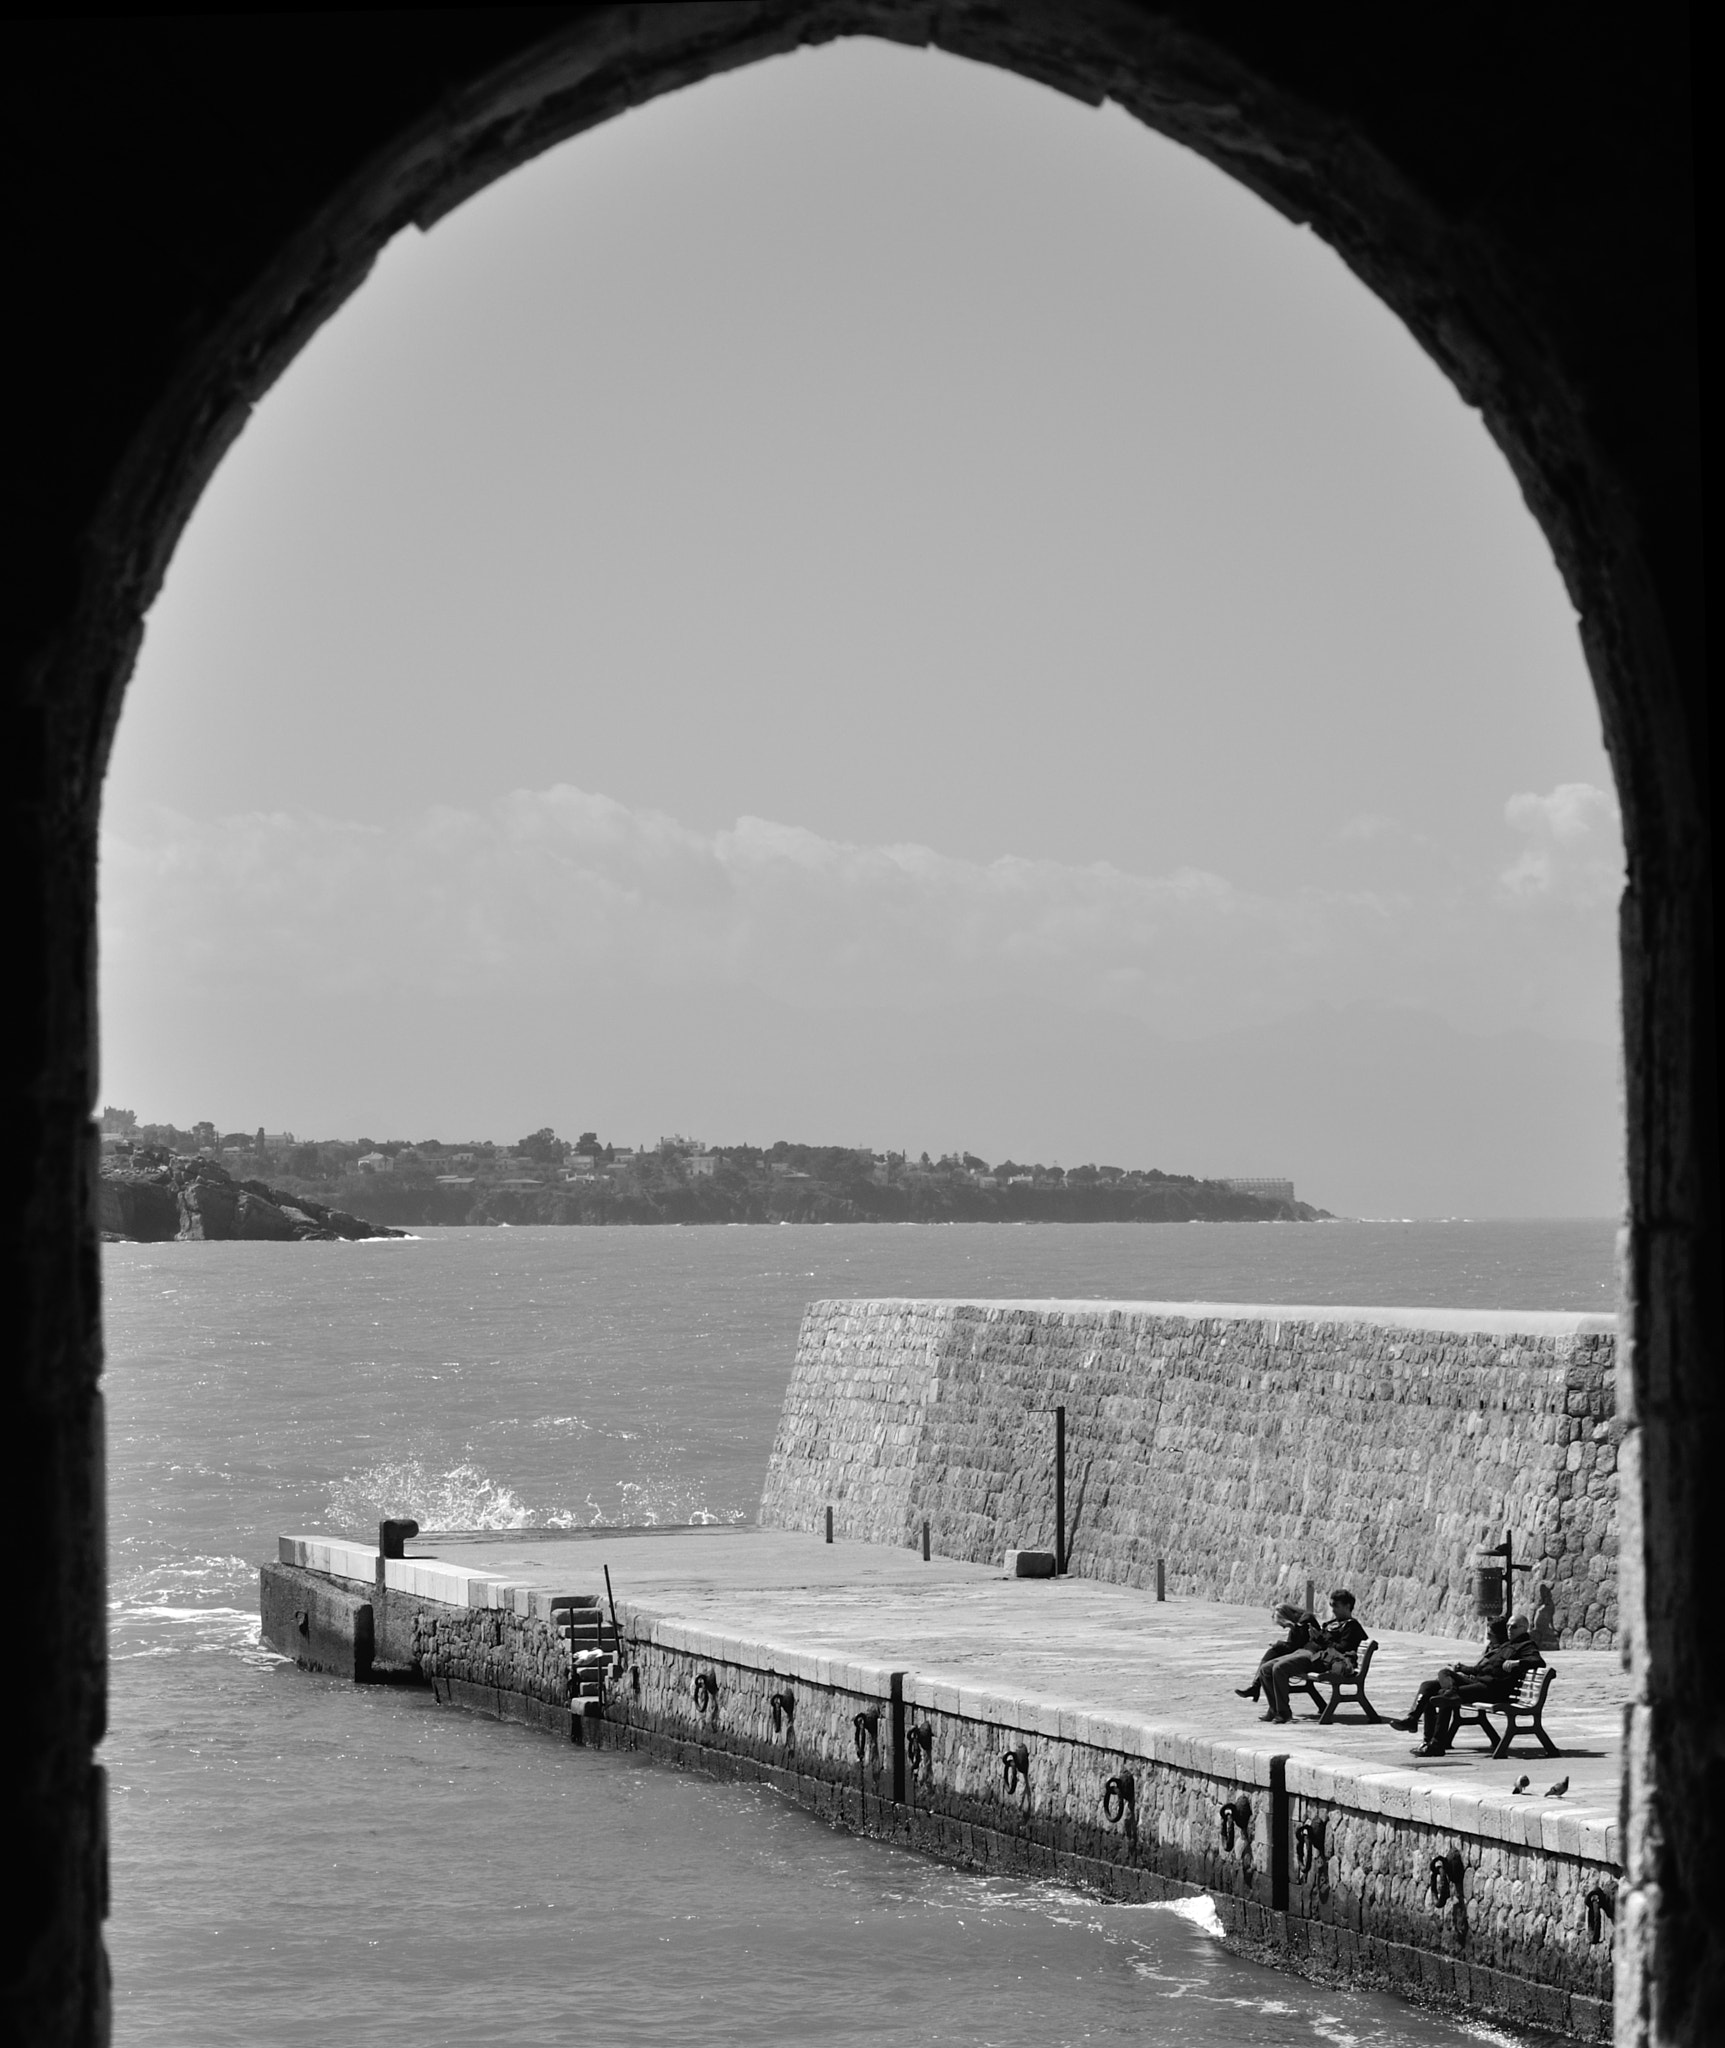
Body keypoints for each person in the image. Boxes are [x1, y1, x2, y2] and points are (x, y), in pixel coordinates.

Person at [1389, 1612, 1545, 1756]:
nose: (1510, 1629)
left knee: (1442, 1697)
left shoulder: (1526, 1645)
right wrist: (1461, 1668)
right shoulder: (1505, 1645)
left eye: (1514, 1626)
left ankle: (1436, 1744)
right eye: (1508, 1626)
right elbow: (1480, 1669)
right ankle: (1415, 1723)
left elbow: (1538, 1662)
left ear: (1524, 1628)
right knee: (1431, 1684)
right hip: (1479, 1682)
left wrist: (1517, 1662)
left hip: (1493, 1689)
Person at [1261, 1589, 1367, 1723]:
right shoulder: (1332, 1624)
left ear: (1347, 1606)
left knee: (1279, 1668)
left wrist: (1320, 1638)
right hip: (1305, 1652)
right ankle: (1274, 1709)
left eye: (1336, 1606)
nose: (1333, 1610)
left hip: (1317, 1658)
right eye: (1332, 1606)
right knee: (1265, 1669)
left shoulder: (1352, 1627)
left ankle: (1283, 1712)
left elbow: (1342, 1649)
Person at [1234, 1602, 1320, 1704]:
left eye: (1282, 1624)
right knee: (1272, 1654)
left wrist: (1278, 1644)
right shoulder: (1297, 1623)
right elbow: (1293, 1645)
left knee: (1273, 1653)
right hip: (1300, 1653)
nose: (1284, 1627)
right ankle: (1256, 1687)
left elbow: (1296, 1645)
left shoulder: (1304, 1621)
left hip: (1308, 1655)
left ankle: (1256, 1688)